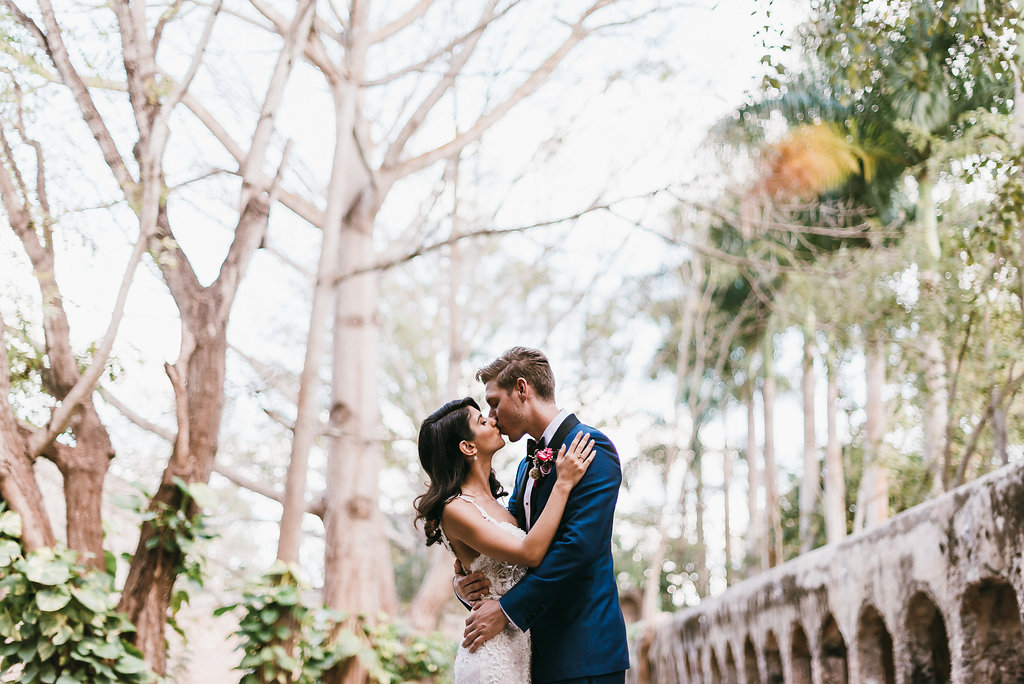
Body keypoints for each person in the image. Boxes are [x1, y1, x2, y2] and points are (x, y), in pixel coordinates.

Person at [457, 347, 630, 683]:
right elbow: (506, 541)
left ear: (523, 389)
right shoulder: (526, 466)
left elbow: (576, 548)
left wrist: (506, 611)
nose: (491, 416)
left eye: (494, 402)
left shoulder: (593, 449)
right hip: (533, 655)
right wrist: (466, 582)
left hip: (584, 653)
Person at [415, 396, 597, 683]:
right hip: (490, 657)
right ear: (468, 446)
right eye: (481, 420)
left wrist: (461, 584)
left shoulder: (501, 504)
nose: (493, 419)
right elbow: (530, 552)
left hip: (520, 649)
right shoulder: (456, 509)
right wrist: (562, 483)